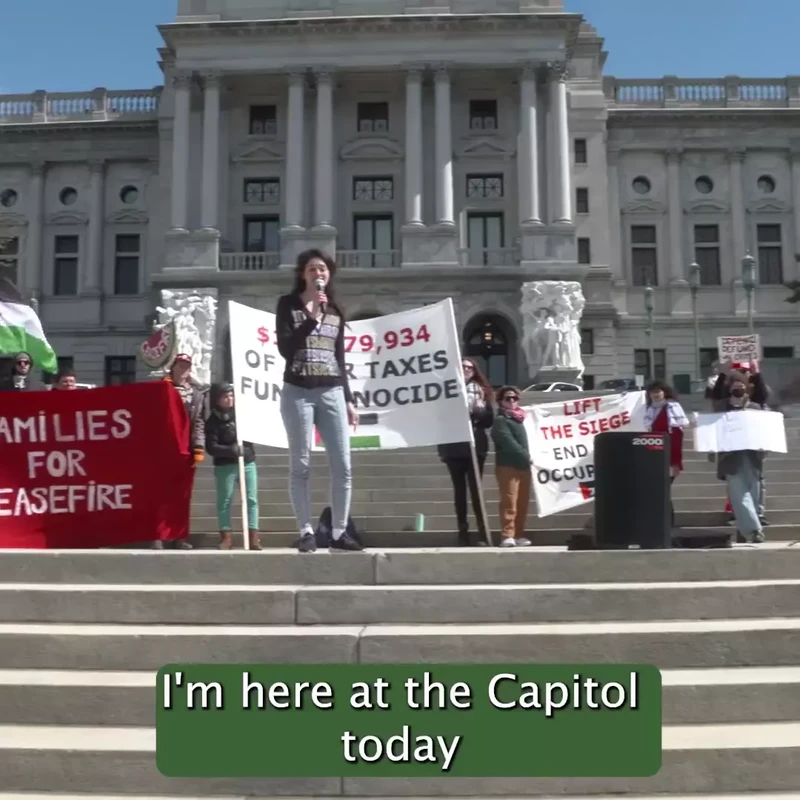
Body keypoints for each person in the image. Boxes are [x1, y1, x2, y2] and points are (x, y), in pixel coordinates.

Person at [275, 249, 361, 554]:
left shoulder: (335, 309)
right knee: (301, 464)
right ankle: (306, 531)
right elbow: (286, 349)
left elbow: (339, 358)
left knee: (343, 465)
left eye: (322, 269)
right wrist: (311, 318)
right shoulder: (288, 305)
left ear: (329, 275)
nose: (318, 274)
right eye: (312, 269)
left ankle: (339, 531)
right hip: (298, 391)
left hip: (332, 391)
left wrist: (348, 399)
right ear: (303, 274)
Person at [152, 353, 206, 551]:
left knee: (182, 496)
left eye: (186, 366)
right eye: (180, 365)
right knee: (160, 495)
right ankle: (157, 536)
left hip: (186, 448)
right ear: (173, 367)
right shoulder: (162, 387)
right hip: (164, 447)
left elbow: (199, 422)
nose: (183, 369)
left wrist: (199, 446)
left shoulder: (196, 394)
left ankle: (179, 536)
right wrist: (162, 388)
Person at [437, 358, 494, 546]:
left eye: (470, 368)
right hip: (454, 446)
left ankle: (482, 532)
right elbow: (439, 417)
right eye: (463, 367)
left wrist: (479, 411)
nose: (467, 370)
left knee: (476, 491)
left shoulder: (481, 391)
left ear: (475, 371)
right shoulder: (447, 389)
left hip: (475, 446)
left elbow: (488, 421)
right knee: (459, 491)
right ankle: (463, 532)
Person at [709, 359, 770, 527]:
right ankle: (738, 512)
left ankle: (758, 514)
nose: (740, 377)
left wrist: (757, 373)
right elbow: (716, 396)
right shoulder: (724, 402)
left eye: (744, 372)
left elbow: (763, 396)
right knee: (735, 484)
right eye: (737, 373)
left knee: (756, 483)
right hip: (731, 450)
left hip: (752, 449)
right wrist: (723, 373)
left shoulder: (755, 400)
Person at [205, 383, 261, 551]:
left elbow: (254, 433)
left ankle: (253, 537)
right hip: (225, 465)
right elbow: (211, 447)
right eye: (225, 396)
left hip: (247, 462)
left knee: (252, 500)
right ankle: (226, 537)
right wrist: (230, 450)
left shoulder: (242, 415)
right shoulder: (212, 422)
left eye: (231, 395)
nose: (229, 399)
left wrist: (246, 450)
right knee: (225, 500)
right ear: (217, 399)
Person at [643, 380, 689, 529]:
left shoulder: (672, 407)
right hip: (653, 454)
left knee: (663, 490)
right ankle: (660, 523)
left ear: (664, 392)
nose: (655, 394)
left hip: (668, 455)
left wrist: (675, 462)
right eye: (652, 392)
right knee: (658, 491)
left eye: (658, 391)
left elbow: (677, 437)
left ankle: (667, 524)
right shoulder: (649, 409)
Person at [491, 385, 532, 548]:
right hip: (508, 466)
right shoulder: (501, 420)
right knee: (509, 502)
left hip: (524, 467)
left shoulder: (522, 419)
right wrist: (527, 456)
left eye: (515, 398)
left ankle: (518, 534)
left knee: (522, 503)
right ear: (501, 401)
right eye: (508, 398)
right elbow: (507, 441)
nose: (512, 401)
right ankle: (507, 535)